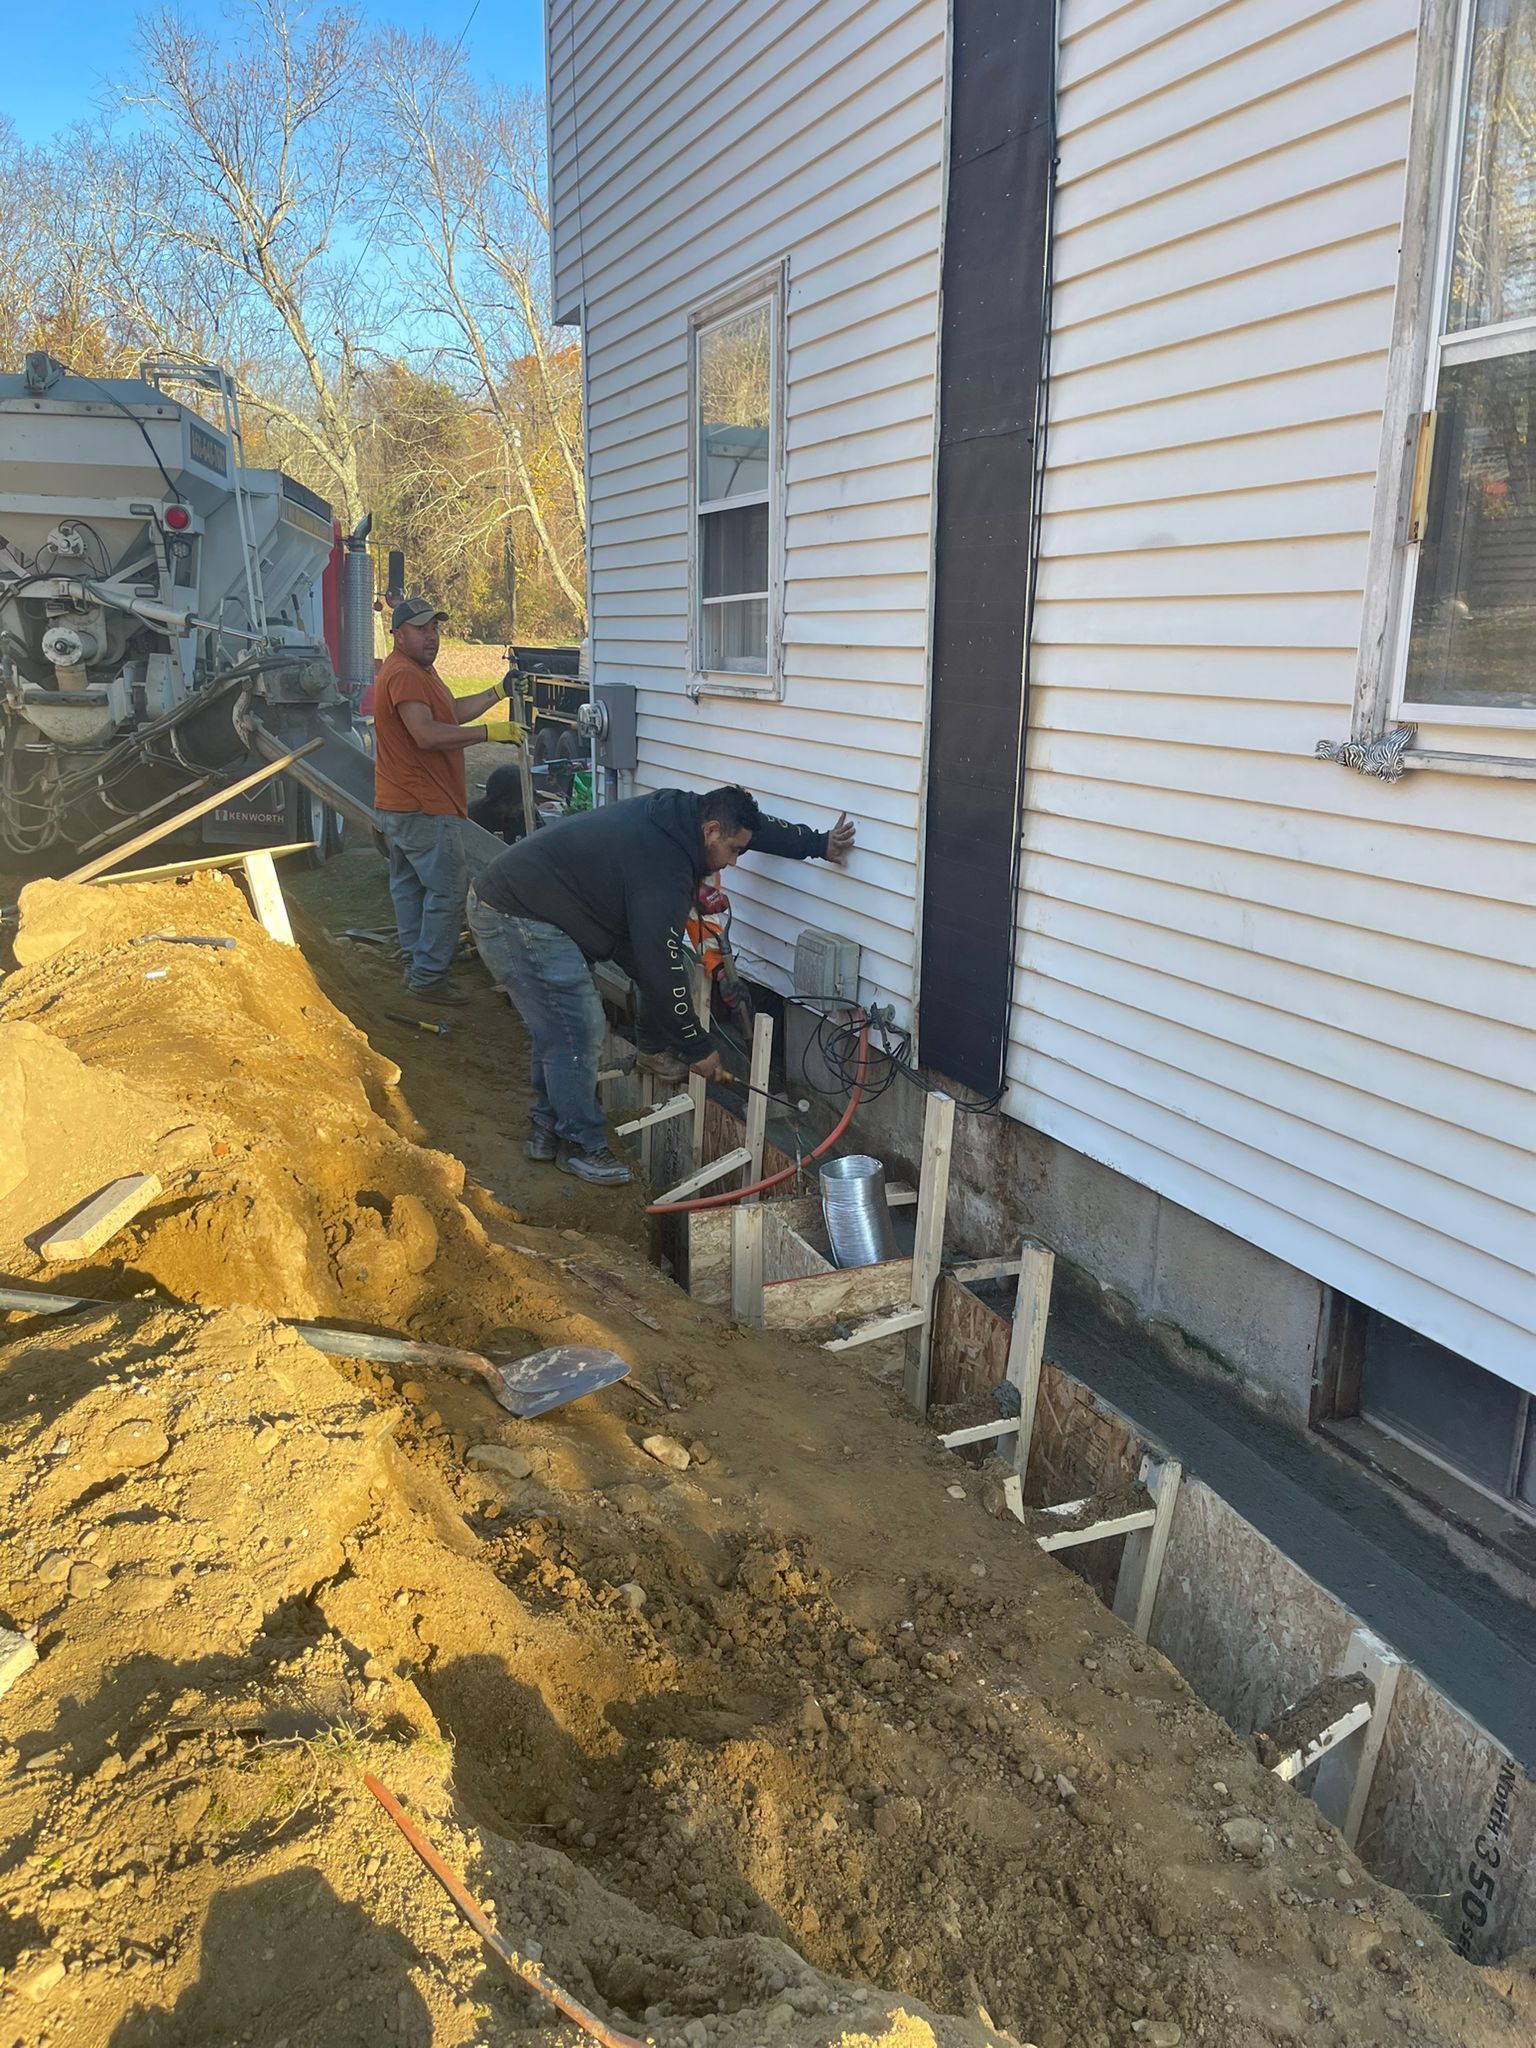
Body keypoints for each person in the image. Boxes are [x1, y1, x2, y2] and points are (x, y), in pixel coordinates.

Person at [468, 785, 855, 1185]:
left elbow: (758, 832)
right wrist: (697, 1047)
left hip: (557, 909)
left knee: (563, 1026)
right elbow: (658, 961)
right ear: (710, 831)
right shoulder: (664, 868)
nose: (735, 863)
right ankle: (580, 1144)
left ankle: (552, 1125)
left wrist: (819, 843)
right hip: (517, 917)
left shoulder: (684, 814)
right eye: (733, 852)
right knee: (577, 1026)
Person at [372, 598, 519, 1005]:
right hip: (422, 804)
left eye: (435, 628)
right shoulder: (403, 673)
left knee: (410, 887)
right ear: (398, 635)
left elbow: (450, 713)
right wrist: (490, 734)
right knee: (450, 890)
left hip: (401, 802)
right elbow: (426, 734)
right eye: (421, 629)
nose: (431, 636)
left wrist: (497, 691)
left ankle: (415, 961)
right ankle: (428, 977)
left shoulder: (420, 670)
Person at [467, 761, 529, 845]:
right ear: (498, 801)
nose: (521, 807)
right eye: (515, 804)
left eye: (523, 802)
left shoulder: (527, 814)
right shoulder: (473, 818)